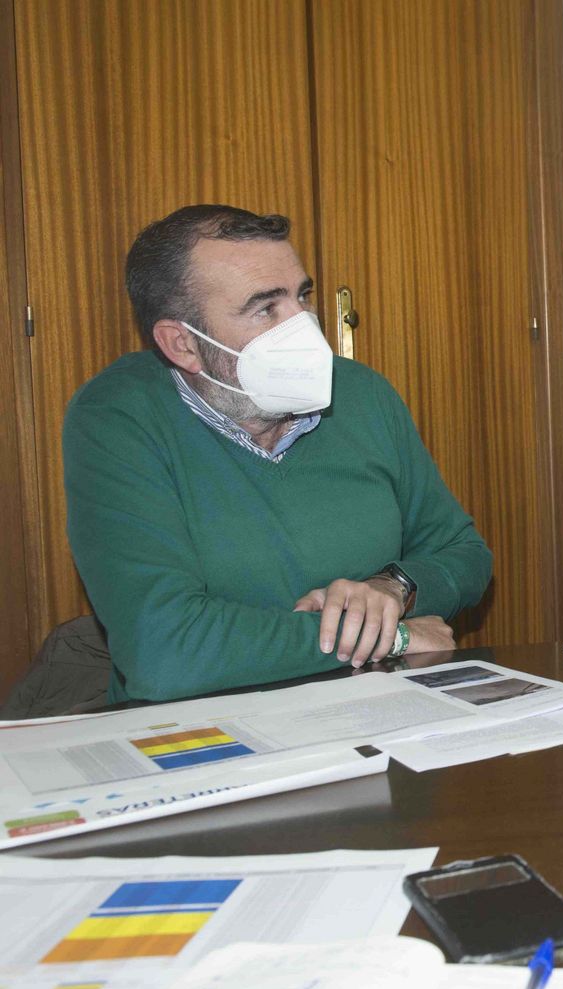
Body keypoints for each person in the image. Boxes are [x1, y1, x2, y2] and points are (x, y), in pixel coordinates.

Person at [63, 204, 491, 703]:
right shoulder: (118, 417)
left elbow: (464, 554)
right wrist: (386, 636)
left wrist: (392, 588)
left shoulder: (361, 394)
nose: (305, 327)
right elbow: (165, 652)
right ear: (182, 345)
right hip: (207, 740)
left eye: (302, 296)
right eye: (266, 309)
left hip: (375, 714)